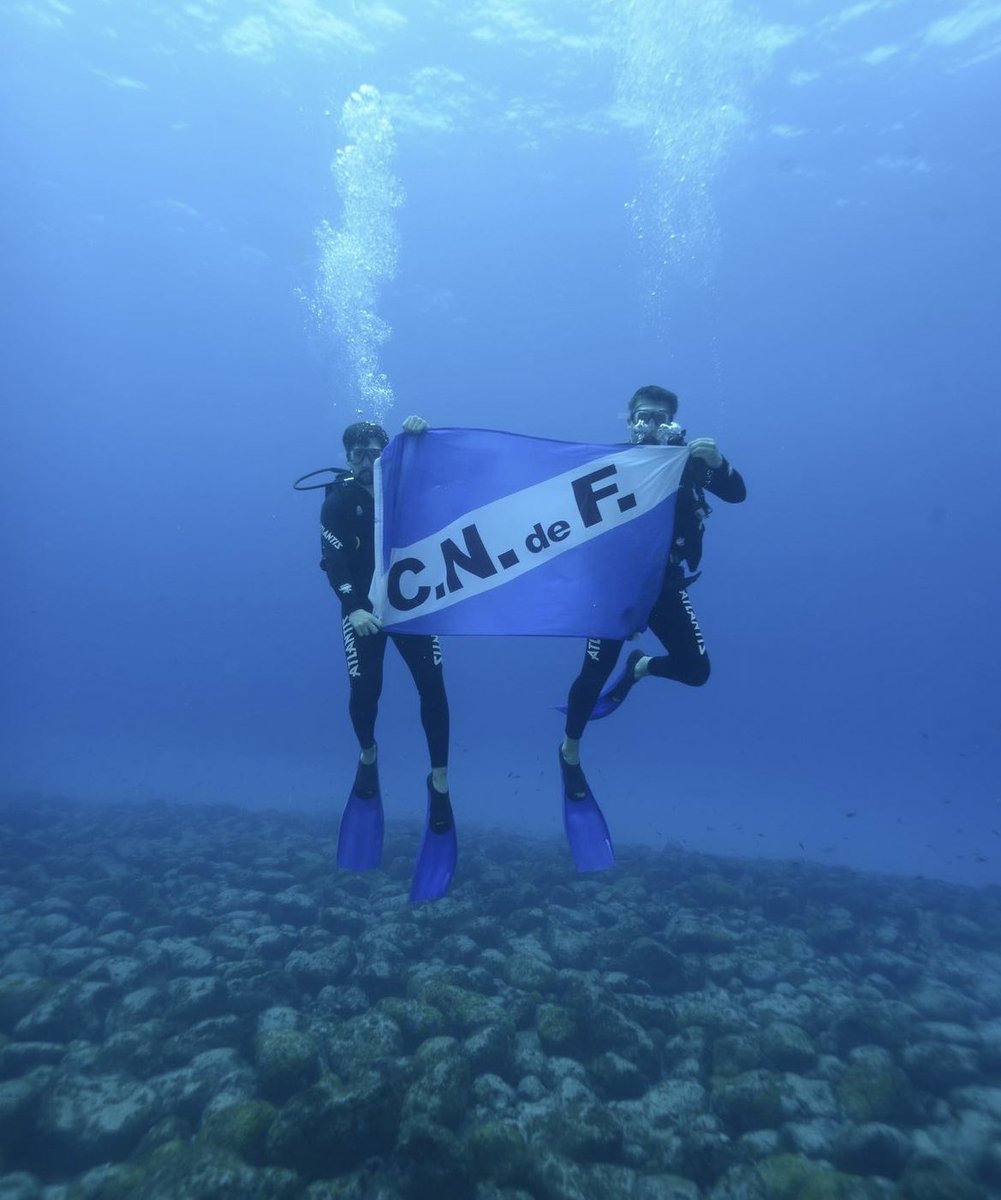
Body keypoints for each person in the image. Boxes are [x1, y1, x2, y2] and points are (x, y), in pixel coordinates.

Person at [558, 385, 746, 870]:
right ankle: (571, 753)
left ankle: (642, 667)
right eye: (642, 416)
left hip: (666, 587)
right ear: (629, 421)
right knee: (593, 674)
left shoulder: (690, 462)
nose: (649, 424)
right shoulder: (612, 463)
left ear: (673, 422)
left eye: (659, 418)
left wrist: (718, 461)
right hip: (618, 589)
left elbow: (737, 493)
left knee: (697, 670)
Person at [316, 414, 457, 901]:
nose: (369, 462)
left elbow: (451, 479)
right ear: (347, 459)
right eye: (360, 455)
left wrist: (422, 437)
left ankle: (438, 781)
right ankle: (368, 753)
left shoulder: (405, 491)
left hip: (414, 607)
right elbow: (332, 562)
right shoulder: (338, 502)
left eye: (378, 453)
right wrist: (353, 608)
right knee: (365, 691)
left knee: (433, 691)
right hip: (364, 611)